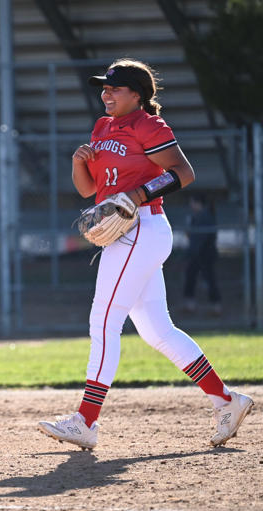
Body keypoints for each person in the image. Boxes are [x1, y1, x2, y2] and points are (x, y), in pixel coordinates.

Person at [37, 59, 253, 450]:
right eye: (103, 88)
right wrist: (77, 162)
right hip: (128, 233)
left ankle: (85, 420)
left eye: (114, 88)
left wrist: (139, 194)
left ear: (136, 95)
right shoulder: (102, 127)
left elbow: (183, 173)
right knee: (156, 330)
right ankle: (226, 399)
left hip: (142, 227)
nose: (106, 94)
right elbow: (88, 191)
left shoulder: (148, 125)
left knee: (104, 319)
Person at [182, 194, 221, 315]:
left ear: (198, 203)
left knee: (208, 279)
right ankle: (191, 305)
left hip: (204, 254)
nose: (191, 205)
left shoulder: (205, 216)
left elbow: (200, 238)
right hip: (198, 255)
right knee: (192, 277)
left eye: (193, 202)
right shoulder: (197, 216)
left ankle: (216, 306)